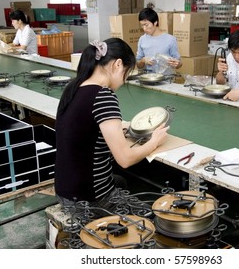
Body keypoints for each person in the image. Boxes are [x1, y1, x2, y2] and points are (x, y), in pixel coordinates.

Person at [54, 38, 169, 216]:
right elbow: (125, 159)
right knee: (152, 216)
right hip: (89, 199)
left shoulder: (73, 87)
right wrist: (154, 142)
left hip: (65, 189)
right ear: (117, 64)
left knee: (120, 181)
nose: (124, 81)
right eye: (127, 73)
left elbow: (85, 129)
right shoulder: (103, 96)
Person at [136, 8, 181, 74]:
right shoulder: (142, 39)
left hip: (167, 80)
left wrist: (177, 63)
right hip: (149, 79)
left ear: (155, 22)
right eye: (142, 25)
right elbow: (138, 65)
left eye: (146, 25)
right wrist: (143, 61)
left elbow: (179, 64)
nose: (144, 29)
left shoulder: (170, 39)